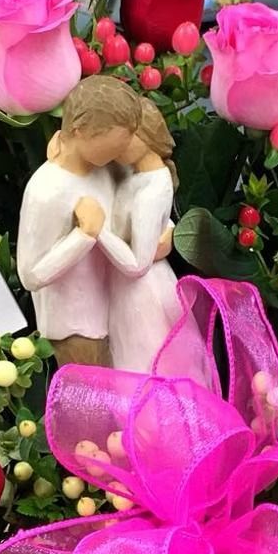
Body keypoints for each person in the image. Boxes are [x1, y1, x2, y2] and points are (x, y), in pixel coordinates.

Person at [16, 75, 142, 367]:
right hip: (75, 326)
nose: (124, 149)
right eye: (115, 141)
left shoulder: (105, 170)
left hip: (114, 311)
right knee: (92, 402)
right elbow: (30, 275)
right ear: (80, 130)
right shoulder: (47, 190)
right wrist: (83, 236)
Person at [96, 98, 183, 373]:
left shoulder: (151, 190)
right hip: (128, 289)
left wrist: (96, 230)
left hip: (141, 292)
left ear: (145, 136)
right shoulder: (137, 177)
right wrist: (166, 228)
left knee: (145, 360)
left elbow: (137, 264)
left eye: (125, 137)